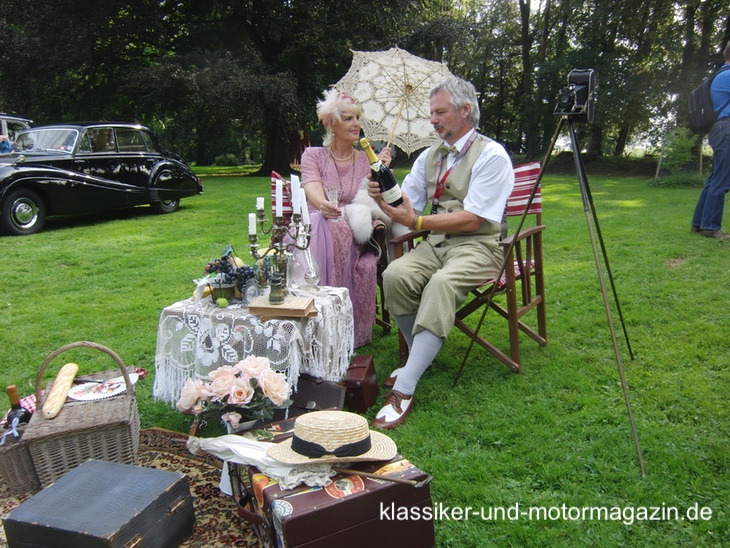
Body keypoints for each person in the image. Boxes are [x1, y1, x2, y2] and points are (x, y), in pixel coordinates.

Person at [367, 76, 515, 429]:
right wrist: (381, 188)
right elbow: (407, 204)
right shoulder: (428, 157)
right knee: (395, 275)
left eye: (440, 112)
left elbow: (474, 220)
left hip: (480, 246)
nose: (432, 120)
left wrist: (416, 220)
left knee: (441, 284)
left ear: (465, 111)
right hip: (436, 244)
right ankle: (421, 356)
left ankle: (404, 388)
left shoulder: (492, 155)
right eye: (431, 113)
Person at [300, 89, 392, 348]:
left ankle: (339, 324)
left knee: (340, 226)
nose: (356, 124)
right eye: (349, 118)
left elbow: (377, 199)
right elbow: (312, 185)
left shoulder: (367, 159)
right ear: (332, 124)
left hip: (355, 227)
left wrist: (381, 171)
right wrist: (322, 203)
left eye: (357, 118)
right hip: (319, 222)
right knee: (324, 221)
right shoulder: (313, 155)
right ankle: (320, 320)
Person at [692, 41, 730, 240]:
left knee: (715, 178)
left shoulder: (720, 74)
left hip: (720, 129)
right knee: (722, 180)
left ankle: (699, 223)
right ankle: (710, 227)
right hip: (726, 129)